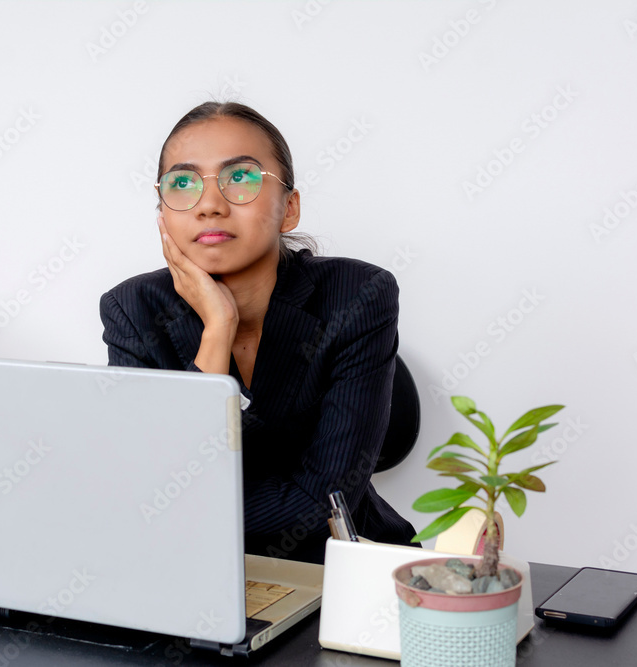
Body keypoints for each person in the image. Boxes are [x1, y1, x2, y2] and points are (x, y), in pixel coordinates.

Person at [100, 101, 416, 563]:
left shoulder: (358, 295)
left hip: (339, 565)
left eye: (241, 177)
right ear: (162, 212)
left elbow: (326, 502)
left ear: (289, 209)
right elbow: (154, 485)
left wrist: (184, 510)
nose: (210, 205)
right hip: (192, 567)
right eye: (183, 183)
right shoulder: (132, 310)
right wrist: (218, 330)